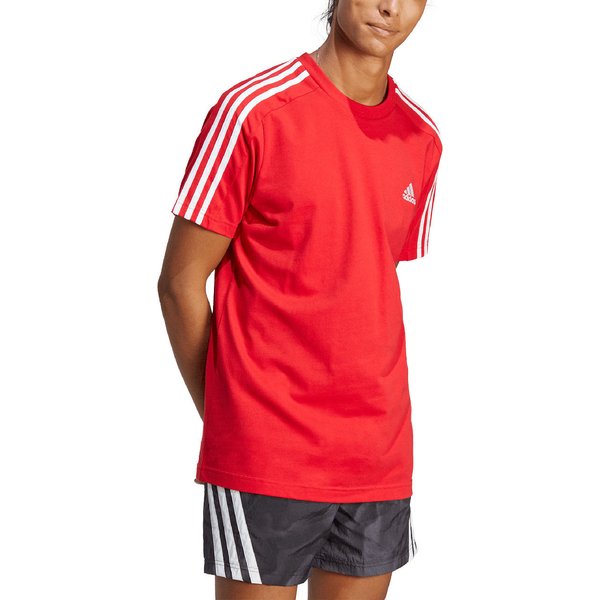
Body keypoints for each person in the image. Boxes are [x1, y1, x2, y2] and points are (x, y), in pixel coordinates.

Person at [158, 0, 442, 598]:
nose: (390, 7)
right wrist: (233, 420)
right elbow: (180, 282)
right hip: (268, 449)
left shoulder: (422, 138)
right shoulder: (253, 112)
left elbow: (362, 279)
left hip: (378, 453)